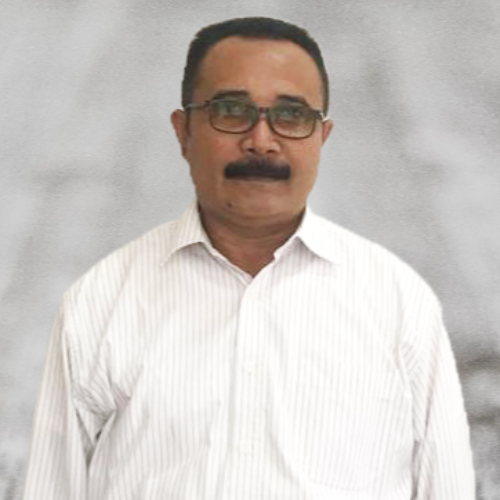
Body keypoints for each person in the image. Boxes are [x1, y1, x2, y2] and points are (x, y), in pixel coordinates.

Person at [23, 16, 475, 500]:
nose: (261, 140)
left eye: (292, 115)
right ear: (184, 131)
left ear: (322, 138)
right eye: (231, 110)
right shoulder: (101, 300)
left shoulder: (398, 302)